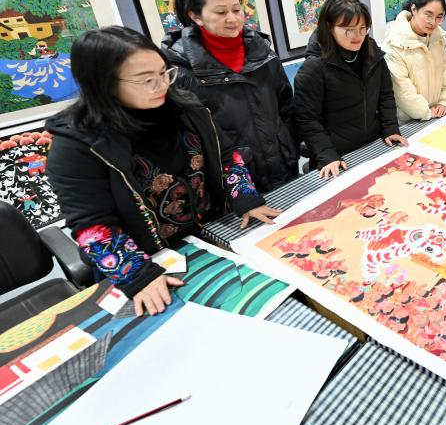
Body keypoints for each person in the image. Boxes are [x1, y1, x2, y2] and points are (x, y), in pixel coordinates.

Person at [46, 27, 280, 315]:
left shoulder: (185, 108)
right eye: (147, 80)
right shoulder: (76, 144)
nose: (162, 85)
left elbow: (226, 155)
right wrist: (137, 275)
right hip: (142, 259)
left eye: (164, 73)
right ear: (103, 84)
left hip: (210, 235)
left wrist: (245, 197)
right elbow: (93, 227)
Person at [161, 0, 298, 194]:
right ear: (195, 16)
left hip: (282, 161)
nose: (232, 18)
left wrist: (290, 143)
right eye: (221, 12)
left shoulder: (262, 51)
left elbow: (286, 106)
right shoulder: (180, 68)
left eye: (236, 9)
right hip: (232, 177)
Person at [295, 0, 407, 180]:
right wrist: (326, 154)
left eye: (363, 28)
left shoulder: (372, 52)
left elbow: (385, 95)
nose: (358, 36)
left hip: (373, 144)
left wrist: (390, 128)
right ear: (329, 27)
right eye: (349, 30)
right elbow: (308, 119)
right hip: (336, 156)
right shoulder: (314, 67)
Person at [381, 0, 446, 123]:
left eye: (439, 17)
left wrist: (444, 101)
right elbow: (403, 92)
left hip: (436, 114)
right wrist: (426, 112)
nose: (433, 22)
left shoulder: (437, 38)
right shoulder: (394, 43)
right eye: (428, 15)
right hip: (408, 121)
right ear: (414, 9)